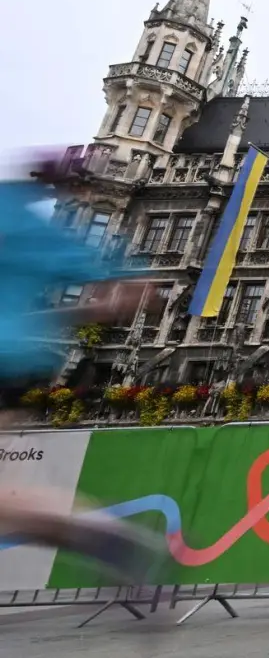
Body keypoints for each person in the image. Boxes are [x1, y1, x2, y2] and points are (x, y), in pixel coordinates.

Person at [0, 155, 163, 584]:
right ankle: (104, 537)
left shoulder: (16, 212)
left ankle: (105, 537)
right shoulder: (41, 232)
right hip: (12, 358)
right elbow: (121, 282)